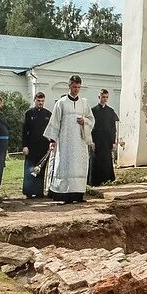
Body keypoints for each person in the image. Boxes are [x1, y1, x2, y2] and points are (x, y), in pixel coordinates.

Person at [44, 75, 94, 203]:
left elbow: (91, 119)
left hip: (79, 141)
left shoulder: (84, 102)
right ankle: (64, 195)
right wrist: (52, 140)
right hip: (65, 141)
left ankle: (78, 195)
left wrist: (85, 121)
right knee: (65, 165)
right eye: (74, 87)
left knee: (79, 167)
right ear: (69, 86)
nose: (76, 89)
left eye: (78, 87)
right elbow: (54, 122)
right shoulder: (61, 103)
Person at [21, 92, 52, 198]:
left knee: (41, 168)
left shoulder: (48, 114)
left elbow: (51, 131)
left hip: (43, 146)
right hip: (31, 146)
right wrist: (24, 146)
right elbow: (24, 131)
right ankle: (29, 192)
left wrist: (51, 143)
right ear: (35, 100)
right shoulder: (29, 113)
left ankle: (39, 191)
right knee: (30, 168)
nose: (40, 103)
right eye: (38, 101)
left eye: (42, 101)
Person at [87, 89, 119, 187]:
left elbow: (113, 128)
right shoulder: (93, 110)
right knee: (95, 160)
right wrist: (91, 141)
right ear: (99, 97)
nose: (104, 99)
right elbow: (90, 127)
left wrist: (113, 142)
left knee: (106, 160)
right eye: (103, 97)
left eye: (106, 97)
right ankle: (94, 182)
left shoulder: (110, 111)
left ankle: (107, 180)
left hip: (107, 140)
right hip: (96, 140)